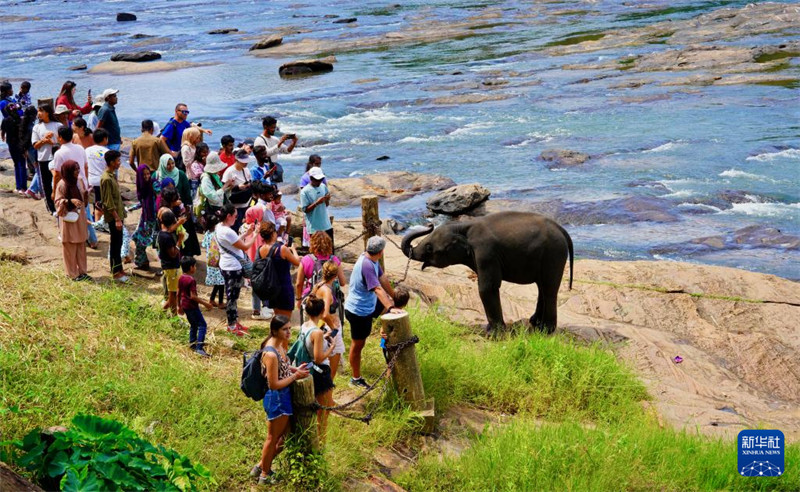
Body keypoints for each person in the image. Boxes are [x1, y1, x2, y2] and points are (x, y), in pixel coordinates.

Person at [254, 315, 309, 485]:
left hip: (282, 397)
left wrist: (293, 369)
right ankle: (264, 474)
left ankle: (260, 467)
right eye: (285, 329)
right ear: (275, 331)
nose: (288, 332)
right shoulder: (270, 352)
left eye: (289, 328)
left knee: (283, 437)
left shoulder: (278, 346)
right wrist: (295, 376)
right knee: (273, 438)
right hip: (277, 398)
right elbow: (274, 384)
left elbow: (282, 367)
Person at [344, 236, 398, 388]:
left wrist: (394, 298)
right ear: (381, 252)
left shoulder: (372, 259)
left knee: (389, 311)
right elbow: (377, 288)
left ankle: (385, 339)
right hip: (358, 311)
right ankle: (355, 378)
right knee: (358, 344)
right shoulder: (366, 265)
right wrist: (391, 307)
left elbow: (382, 278)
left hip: (369, 305)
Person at [52, 126, 97, 249]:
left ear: (60, 138)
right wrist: (86, 181)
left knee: (67, 211)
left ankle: (68, 236)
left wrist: (54, 190)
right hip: (82, 183)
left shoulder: (59, 153)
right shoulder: (80, 148)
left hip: (68, 185)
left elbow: (57, 174)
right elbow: (86, 166)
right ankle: (92, 239)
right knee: (84, 212)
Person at [216, 204, 258, 335]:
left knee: (233, 296)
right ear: (228, 216)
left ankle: (234, 321)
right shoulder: (227, 231)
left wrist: (247, 233)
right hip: (232, 268)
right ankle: (232, 325)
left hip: (227, 265)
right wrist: (255, 235)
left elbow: (234, 243)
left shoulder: (220, 227)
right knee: (232, 297)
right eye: (235, 215)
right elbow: (244, 247)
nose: (237, 218)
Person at [299, 295, 336, 442]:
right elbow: (318, 358)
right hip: (321, 372)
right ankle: (321, 442)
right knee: (323, 412)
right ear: (322, 313)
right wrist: (331, 347)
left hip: (309, 369)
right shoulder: (318, 332)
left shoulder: (304, 326)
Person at [154, 153, 199, 256]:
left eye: (172, 163)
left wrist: (188, 209)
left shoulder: (180, 174)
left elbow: (187, 194)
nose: (170, 166)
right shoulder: (157, 175)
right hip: (167, 211)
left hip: (180, 210)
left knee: (183, 234)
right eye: (168, 164)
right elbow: (155, 195)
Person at [54, 160, 90, 281]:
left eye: (78, 168)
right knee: (70, 246)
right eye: (74, 169)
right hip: (69, 219)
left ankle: (83, 271)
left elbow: (83, 196)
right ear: (68, 171)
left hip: (79, 217)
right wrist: (69, 201)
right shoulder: (62, 184)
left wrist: (85, 194)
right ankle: (72, 274)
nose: (77, 171)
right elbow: (58, 202)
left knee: (81, 244)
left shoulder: (79, 181)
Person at [309, 261, 346, 379]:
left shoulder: (318, 286)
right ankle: (328, 393)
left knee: (324, 365)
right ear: (335, 276)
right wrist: (334, 327)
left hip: (319, 325)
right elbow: (325, 314)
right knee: (331, 370)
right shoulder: (327, 291)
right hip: (329, 328)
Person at [258, 221, 300, 319]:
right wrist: (293, 250)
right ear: (273, 234)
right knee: (286, 320)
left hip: (272, 288)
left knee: (277, 318)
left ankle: (273, 333)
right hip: (284, 287)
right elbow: (297, 263)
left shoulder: (261, 249)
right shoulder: (282, 249)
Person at [100, 149, 127, 282]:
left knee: (119, 242)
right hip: (114, 217)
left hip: (119, 214)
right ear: (111, 162)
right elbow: (108, 201)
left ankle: (119, 268)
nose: (119, 163)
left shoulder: (111, 176)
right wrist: (116, 218)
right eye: (117, 161)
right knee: (115, 244)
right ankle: (115, 272)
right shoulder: (106, 179)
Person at [242, 205, 272, 321]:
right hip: (259, 260)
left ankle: (261, 308)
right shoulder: (259, 229)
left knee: (257, 286)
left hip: (248, 260)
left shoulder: (244, 227)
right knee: (261, 285)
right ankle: (259, 309)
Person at [178, 256, 214, 357]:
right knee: (202, 325)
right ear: (191, 267)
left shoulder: (181, 278)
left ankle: (192, 342)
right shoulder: (191, 280)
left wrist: (179, 306)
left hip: (185, 305)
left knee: (193, 324)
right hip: (192, 306)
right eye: (194, 266)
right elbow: (193, 297)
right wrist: (206, 303)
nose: (195, 268)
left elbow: (178, 293)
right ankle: (199, 348)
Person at [31, 103, 62, 213]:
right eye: (38, 111)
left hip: (57, 158)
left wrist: (53, 142)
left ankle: (61, 205)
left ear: (47, 112)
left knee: (59, 183)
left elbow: (63, 141)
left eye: (41, 111)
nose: (39, 113)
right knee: (46, 184)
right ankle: (52, 208)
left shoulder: (58, 125)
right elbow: (35, 145)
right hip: (43, 159)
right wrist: (44, 140)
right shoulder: (37, 127)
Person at [132, 165, 158, 270]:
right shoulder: (142, 188)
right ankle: (142, 263)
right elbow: (142, 203)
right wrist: (130, 208)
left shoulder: (154, 184)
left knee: (159, 243)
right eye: (144, 175)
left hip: (155, 220)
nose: (147, 176)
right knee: (138, 240)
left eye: (148, 174)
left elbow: (160, 197)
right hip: (145, 219)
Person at [300, 166, 333, 245]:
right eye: (317, 180)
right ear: (311, 178)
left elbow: (326, 205)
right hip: (314, 227)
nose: (319, 182)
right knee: (316, 250)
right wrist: (316, 203)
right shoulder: (305, 191)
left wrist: (327, 199)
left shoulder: (323, 186)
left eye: (321, 180)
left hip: (326, 224)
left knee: (329, 249)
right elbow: (305, 210)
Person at [223, 148, 253, 232]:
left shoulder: (246, 170)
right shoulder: (229, 171)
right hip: (235, 205)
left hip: (246, 203)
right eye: (243, 161)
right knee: (235, 229)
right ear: (236, 160)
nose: (246, 163)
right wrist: (237, 187)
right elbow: (223, 189)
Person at [158, 210, 182, 315]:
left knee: (175, 291)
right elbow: (173, 253)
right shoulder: (166, 237)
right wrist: (180, 241)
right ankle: (174, 316)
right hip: (171, 267)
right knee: (173, 293)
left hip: (172, 267)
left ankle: (163, 309)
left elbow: (170, 228)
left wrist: (179, 223)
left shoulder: (162, 233)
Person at [1, 102, 27, 195]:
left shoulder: (5, 120)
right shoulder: (20, 120)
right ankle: (24, 187)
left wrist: (3, 138)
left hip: (11, 143)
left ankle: (18, 187)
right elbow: (23, 132)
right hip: (20, 143)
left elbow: (3, 132)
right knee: (23, 164)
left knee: (16, 164)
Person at [201, 212, 225, 309]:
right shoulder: (216, 234)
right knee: (221, 282)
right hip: (218, 261)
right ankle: (220, 302)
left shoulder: (207, 233)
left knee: (218, 282)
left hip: (210, 260)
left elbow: (204, 245)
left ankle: (212, 299)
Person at [85, 128, 109, 223]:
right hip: (101, 180)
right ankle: (98, 221)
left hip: (90, 180)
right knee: (101, 202)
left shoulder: (87, 150)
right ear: (104, 139)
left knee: (95, 202)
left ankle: (96, 219)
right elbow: (110, 168)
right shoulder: (106, 152)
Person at [20, 106, 41, 199]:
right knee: (38, 169)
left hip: (28, 149)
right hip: (33, 149)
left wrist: (24, 150)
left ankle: (36, 189)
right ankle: (32, 190)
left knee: (37, 169)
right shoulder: (31, 127)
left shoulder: (24, 124)